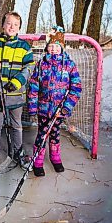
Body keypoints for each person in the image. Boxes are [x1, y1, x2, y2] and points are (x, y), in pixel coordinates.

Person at [0, 11, 35, 173]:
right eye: (9, 23)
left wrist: (17, 82)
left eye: (15, 25)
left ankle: (18, 153)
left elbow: (29, 67)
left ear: (19, 28)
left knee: (16, 126)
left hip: (15, 95)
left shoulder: (24, 47)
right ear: (3, 25)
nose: (11, 27)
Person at [27, 26, 82, 177]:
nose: (53, 49)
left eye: (56, 46)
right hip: (43, 109)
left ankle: (55, 157)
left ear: (62, 47)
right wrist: (32, 108)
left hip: (59, 110)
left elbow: (76, 87)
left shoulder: (69, 65)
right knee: (42, 133)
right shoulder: (41, 65)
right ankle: (38, 160)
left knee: (55, 133)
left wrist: (66, 107)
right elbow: (33, 87)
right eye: (50, 46)